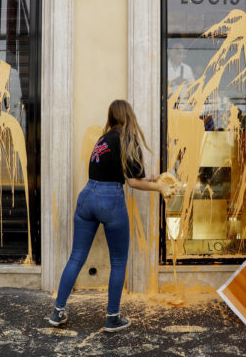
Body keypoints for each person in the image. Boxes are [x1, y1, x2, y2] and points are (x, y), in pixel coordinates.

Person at [49, 100, 176, 332]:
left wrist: (155, 178)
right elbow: (132, 182)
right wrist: (160, 188)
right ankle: (112, 318)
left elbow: (128, 174)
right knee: (118, 262)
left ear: (111, 116)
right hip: (110, 199)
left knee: (76, 257)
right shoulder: (128, 138)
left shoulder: (103, 139)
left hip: (87, 196)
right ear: (129, 116)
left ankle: (57, 312)